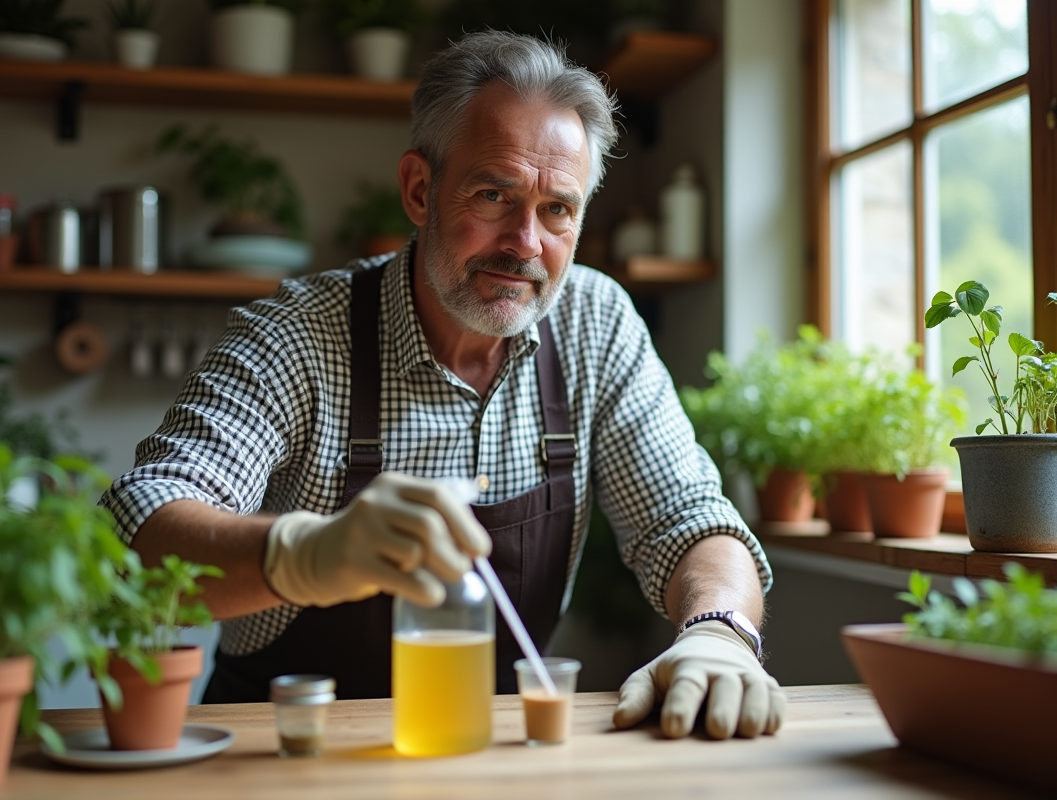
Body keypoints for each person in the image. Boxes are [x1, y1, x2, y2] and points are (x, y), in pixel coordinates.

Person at [102, 30, 785, 741]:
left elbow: (688, 517)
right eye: (493, 195)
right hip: (280, 745)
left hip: (493, 749)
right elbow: (135, 531)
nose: (526, 242)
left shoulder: (596, 322)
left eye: (558, 209)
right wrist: (303, 555)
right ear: (420, 190)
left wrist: (719, 629)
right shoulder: (298, 334)